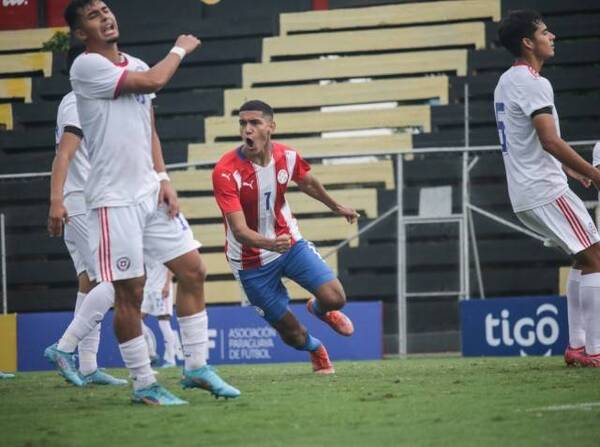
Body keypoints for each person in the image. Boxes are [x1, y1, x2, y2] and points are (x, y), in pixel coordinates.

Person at [58, 0, 239, 405]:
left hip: (147, 193)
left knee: (193, 269)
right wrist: (180, 48)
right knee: (130, 293)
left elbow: (149, 127)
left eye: (106, 10)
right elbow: (154, 81)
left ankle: (195, 368)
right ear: (80, 33)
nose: (106, 17)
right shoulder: (86, 67)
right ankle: (144, 384)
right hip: (112, 199)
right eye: (93, 16)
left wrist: (163, 177)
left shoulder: (134, 60)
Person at [212, 100, 358, 375]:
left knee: (336, 297)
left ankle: (319, 309)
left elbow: (308, 183)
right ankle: (316, 348)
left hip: (288, 244)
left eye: (255, 123)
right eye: (243, 123)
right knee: (292, 334)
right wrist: (270, 244)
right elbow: (240, 232)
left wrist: (337, 206)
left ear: (271, 127)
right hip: (250, 261)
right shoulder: (225, 171)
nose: (247, 129)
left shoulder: (287, 156)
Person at [495, 10, 600, 367]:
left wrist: (573, 168)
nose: (551, 36)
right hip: (544, 189)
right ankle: (595, 350)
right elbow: (550, 140)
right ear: (528, 42)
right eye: (544, 32)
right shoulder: (533, 83)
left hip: (527, 190)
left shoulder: (509, 80)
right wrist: (596, 174)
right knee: (596, 259)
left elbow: (537, 141)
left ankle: (577, 345)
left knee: (582, 258)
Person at [45, 89, 126, 387]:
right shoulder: (78, 100)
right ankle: (63, 348)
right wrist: (56, 200)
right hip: (81, 203)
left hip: (81, 201)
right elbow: (64, 152)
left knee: (90, 282)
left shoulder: (83, 100)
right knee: (118, 280)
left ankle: (89, 367)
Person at [140, 258, 183, 368]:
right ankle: (151, 353)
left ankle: (171, 360)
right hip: (148, 288)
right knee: (136, 320)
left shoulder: (162, 244)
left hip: (161, 288)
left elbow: (171, 266)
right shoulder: (145, 246)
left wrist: (167, 285)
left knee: (163, 322)